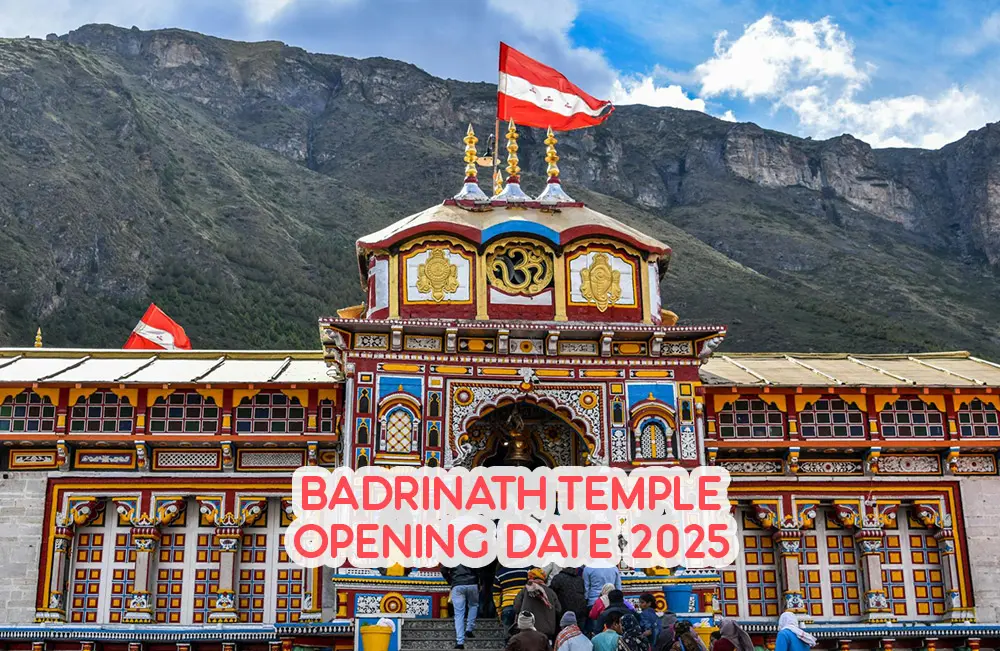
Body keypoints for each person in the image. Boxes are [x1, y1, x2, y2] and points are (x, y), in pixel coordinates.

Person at [514, 568, 563, 640]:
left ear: (530, 577)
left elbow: (516, 608)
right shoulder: (551, 592)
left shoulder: (525, 591)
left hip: (528, 631)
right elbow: (558, 610)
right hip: (546, 633)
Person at [442, 564, 479, 649]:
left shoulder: (452, 556)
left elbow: (443, 570)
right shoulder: (471, 553)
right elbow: (479, 568)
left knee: (459, 613)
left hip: (457, 584)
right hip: (473, 583)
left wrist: (451, 581)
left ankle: (460, 642)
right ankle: (469, 629)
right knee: (473, 605)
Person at [495, 565, 530, 642]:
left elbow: (496, 594)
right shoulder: (527, 570)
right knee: (523, 636)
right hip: (523, 605)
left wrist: (499, 610)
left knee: (508, 637)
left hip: (507, 606)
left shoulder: (500, 573)